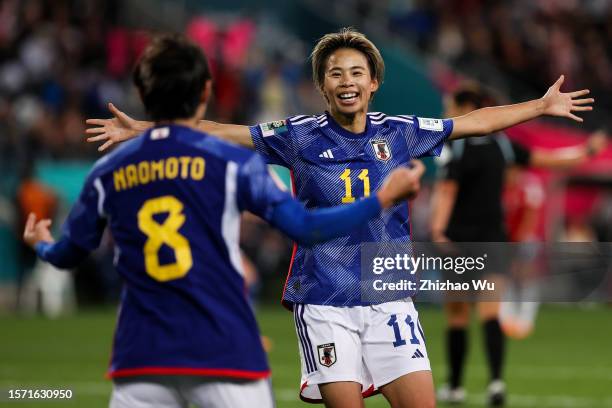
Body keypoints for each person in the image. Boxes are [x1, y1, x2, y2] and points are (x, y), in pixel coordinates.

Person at [85, 28, 594, 408]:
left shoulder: (402, 130)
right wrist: (147, 129)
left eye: (355, 72)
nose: (346, 80)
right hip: (325, 299)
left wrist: (540, 105)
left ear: (373, 82)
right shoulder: (299, 134)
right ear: (323, 87)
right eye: (335, 73)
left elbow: (472, 122)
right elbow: (227, 131)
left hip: (389, 296)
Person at [23, 34, 426, 408]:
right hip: (226, 350)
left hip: (140, 355)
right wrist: (381, 200)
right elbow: (305, 227)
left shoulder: (109, 171)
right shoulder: (233, 166)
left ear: (144, 94)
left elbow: (65, 253)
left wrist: (41, 242)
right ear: (205, 93)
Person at [431, 84, 606, 406]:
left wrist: (438, 230)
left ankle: (455, 387)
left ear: (466, 107)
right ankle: (496, 383)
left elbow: (447, 191)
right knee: (490, 313)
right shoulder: (504, 146)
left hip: (459, 240)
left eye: (449, 105)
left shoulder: (453, 148)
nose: (445, 112)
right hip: (494, 238)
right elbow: (549, 160)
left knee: (457, 315)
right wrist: (587, 153)